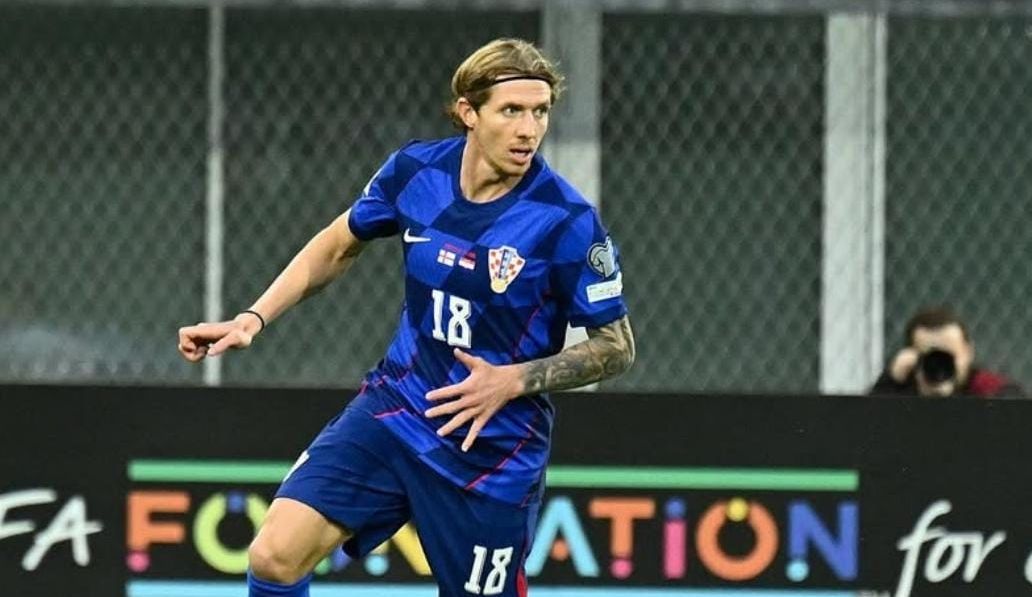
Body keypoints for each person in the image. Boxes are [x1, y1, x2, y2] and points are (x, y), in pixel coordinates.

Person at [177, 38, 635, 597]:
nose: (528, 130)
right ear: (468, 111)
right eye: (511, 111)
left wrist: (512, 380)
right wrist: (253, 318)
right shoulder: (417, 171)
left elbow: (616, 347)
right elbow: (338, 245)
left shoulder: (566, 220)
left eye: (540, 112)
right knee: (274, 555)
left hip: (491, 451)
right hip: (396, 409)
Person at [869, 306, 1022, 398]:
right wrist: (891, 380)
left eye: (948, 355)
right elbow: (867, 428)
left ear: (968, 352)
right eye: (931, 356)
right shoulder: (900, 391)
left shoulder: (988, 389)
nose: (940, 364)